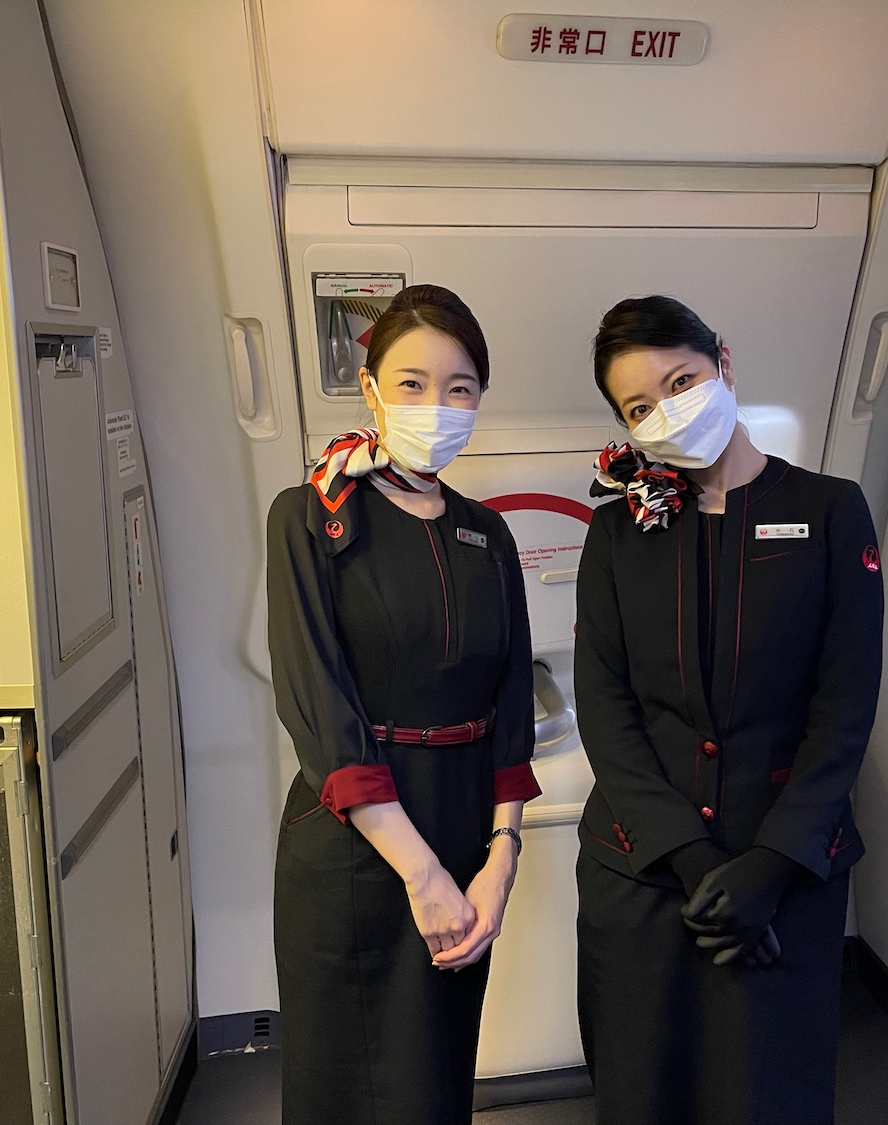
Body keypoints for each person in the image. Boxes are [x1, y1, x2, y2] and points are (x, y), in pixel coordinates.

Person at [573, 295, 884, 1125]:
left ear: (725, 364)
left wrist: (770, 865)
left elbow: (845, 707)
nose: (667, 409)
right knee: (643, 1093)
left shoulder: (830, 510)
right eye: (641, 405)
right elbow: (605, 711)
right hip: (643, 876)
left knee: (770, 1096)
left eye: (682, 379)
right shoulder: (616, 536)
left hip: (782, 878)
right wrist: (692, 863)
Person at [266, 284, 541, 1125]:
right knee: (343, 1086)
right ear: (371, 388)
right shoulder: (311, 517)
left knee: (436, 1079)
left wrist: (500, 860)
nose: (438, 404)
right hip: (354, 842)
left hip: (463, 829)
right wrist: (423, 873)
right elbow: (318, 704)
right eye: (414, 383)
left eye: (461, 387)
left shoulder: (487, 534)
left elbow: (510, 706)